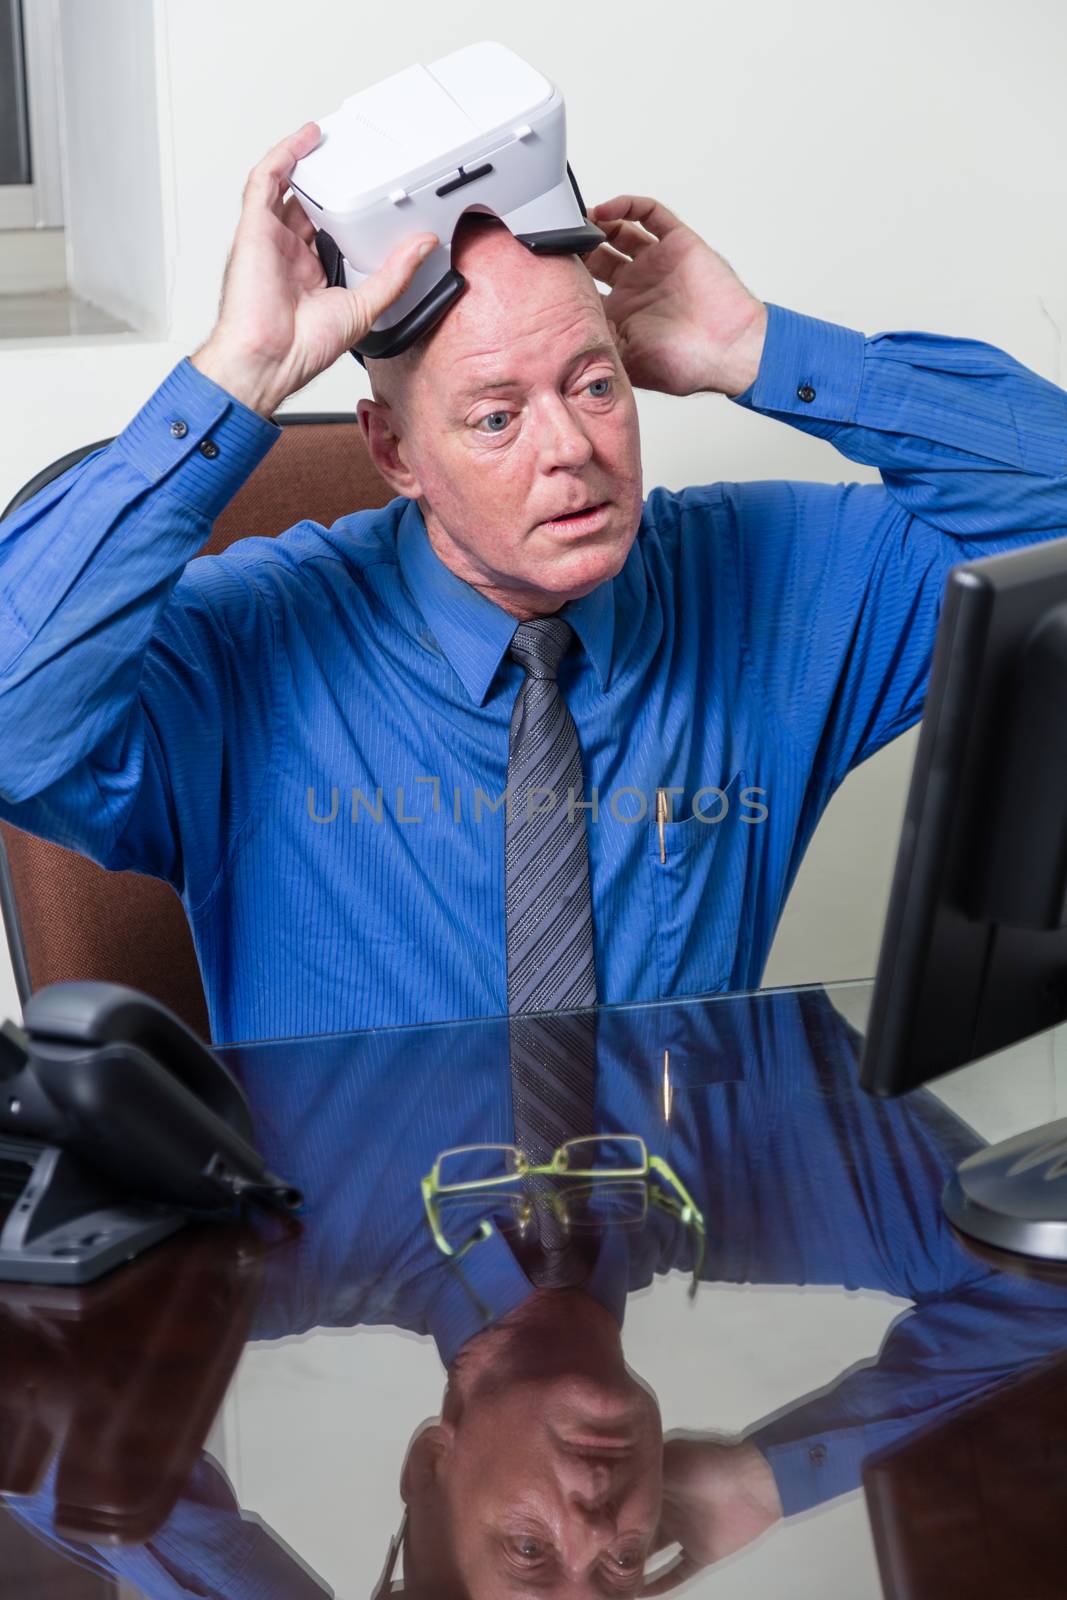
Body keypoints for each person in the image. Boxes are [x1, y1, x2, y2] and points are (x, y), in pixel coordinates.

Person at [1, 119, 1066, 1043]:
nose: (570, 448)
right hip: (353, 1268)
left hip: (670, 1244)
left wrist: (753, 346)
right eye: (496, 416)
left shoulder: (759, 587)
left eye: (593, 384)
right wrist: (236, 377)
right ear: (394, 453)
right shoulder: (246, 644)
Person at [8, 989, 1067, 1596]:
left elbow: (28, 1385)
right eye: (613, 1571)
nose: (598, 1517)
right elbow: (1048, 1282)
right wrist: (765, 1476)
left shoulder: (258, 1243)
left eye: (527, 1551)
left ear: (433, 1458)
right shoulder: (754, 1181)